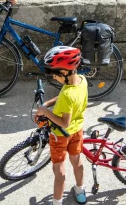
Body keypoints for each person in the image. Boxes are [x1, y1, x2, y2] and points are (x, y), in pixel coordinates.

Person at [36, 46, 88, 205]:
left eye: (54, 73)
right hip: (77, 130)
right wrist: (49, 103)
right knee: (77, 162)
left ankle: (57, 202)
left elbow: (64, 123)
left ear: (64, 72)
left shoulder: (67, 95)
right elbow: (65, 97)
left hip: (60, 135)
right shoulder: (81, 80)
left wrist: (45, 111)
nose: (52, 76)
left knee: (59, 172)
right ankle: (80, 190)